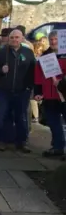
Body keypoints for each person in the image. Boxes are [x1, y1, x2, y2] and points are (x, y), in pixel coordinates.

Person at [0, 29, 36, 152]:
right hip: (4, 90)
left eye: (17, 37)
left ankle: (22, 141)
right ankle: (3, 140)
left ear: (22, 39)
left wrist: (31, 87)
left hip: (22, 90)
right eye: (12, 37)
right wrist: (1, 70)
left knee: (21, 116)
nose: (14, 40)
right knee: (3, 116)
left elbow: (33, 70)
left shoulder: (28, 53)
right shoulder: (2, 52)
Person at [34, 30, 66, 158]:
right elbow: (38, 76)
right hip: (49, 96)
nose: (53, 42)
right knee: (53, 123)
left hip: (64, 95)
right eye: (51, 39)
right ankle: (58, 147)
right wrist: (38, 92)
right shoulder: (44, 56)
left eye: (56, 39)